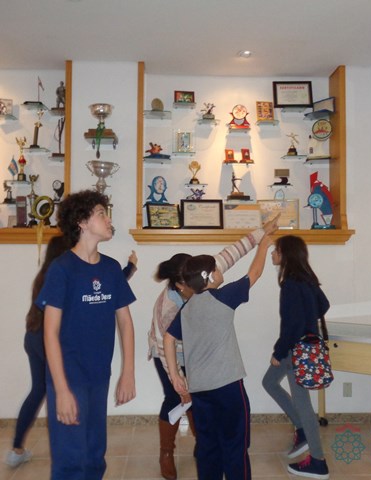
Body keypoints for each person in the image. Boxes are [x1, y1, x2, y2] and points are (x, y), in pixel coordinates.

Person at [148, 218, 278, 480]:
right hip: (228, 388)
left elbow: (168, 339)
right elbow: (254, 274)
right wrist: (264, 246)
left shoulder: (186, 309)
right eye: (216, 269)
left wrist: (176, 376)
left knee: (208, 447)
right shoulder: (224, 297)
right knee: (235, 445)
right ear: (209, 276)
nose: (221, 270)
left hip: (200, 390)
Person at [35, 189, 136, 480]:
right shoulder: (62, 269)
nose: (109, 219)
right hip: (68, 377)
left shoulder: (111, 268)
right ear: (81, 222)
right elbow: (50, 333)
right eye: (102, 214)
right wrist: (62, 390)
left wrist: (128, 373)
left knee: (94, 456)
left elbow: (125, 323)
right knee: (71, 461)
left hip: (99, 376)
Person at [262, 235, 330, 480]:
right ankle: (301, 430)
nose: (272, 254)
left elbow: (291, 326)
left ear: (285, 254)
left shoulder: (291, 284)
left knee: (303, 404)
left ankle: (318, 462)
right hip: (305, 347)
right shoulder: (307, 279)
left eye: (275, 251)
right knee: (269, 382)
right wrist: (308, 318)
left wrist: (278, 353)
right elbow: (324, 305)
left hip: (295, 350)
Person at [5, 235, 70, 468]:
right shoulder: (61, 276)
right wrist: (129, 270)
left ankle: (16, 449)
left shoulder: (42, 276)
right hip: (46, 341)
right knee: (59, 391)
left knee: (38, 390)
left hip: (32, 337)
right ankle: (64, 451)